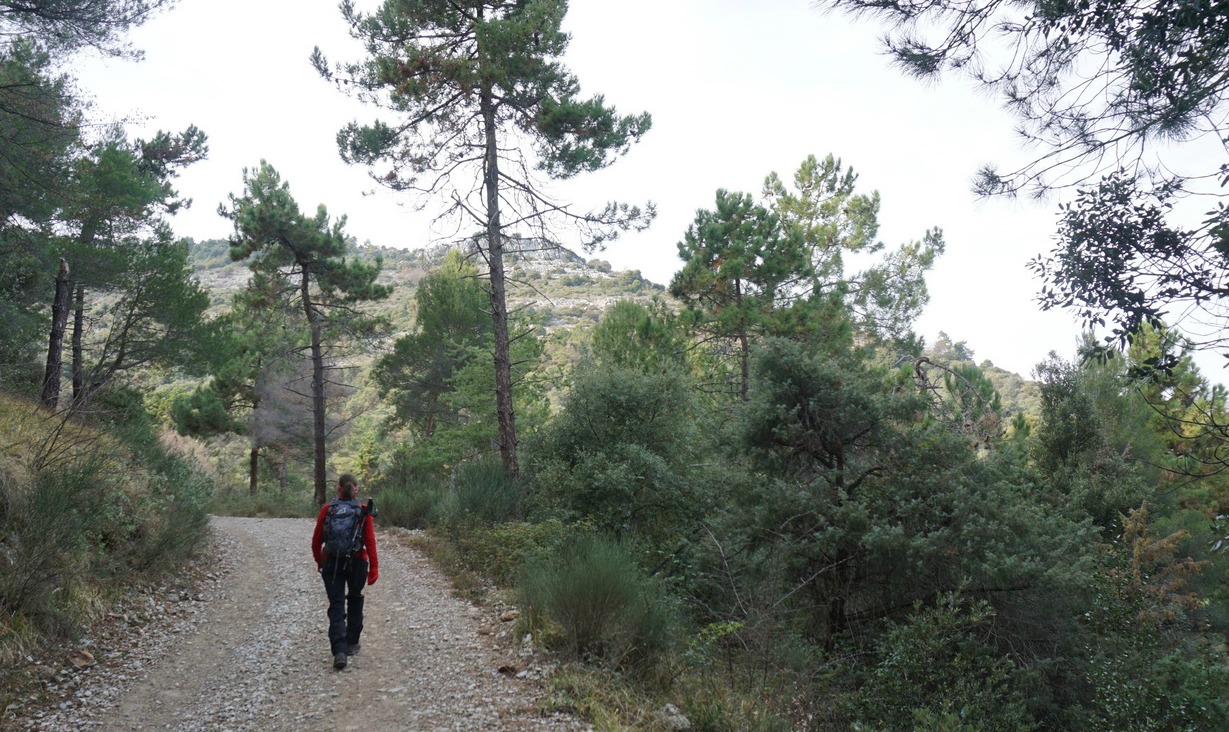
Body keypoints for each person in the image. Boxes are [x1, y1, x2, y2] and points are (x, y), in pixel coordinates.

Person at [311, 473, 378, 670]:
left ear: (338, 489)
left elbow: (316, 541)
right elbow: (370, 542)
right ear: (355, 489)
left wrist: (320, 560)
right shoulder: (363, 510)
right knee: (355, 598)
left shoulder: (327, 509)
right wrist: (374, 567)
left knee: (337, 605)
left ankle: (339, 651)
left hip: (332, 563)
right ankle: (352, 643)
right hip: (357, 562)